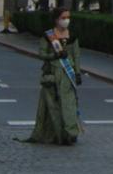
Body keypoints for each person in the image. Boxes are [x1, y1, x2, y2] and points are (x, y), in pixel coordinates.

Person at [19, 8, 82, 145]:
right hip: (52, 73)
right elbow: (41, 53)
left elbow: (76, 55)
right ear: (56, 19)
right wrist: (54, 55)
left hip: (67, 74)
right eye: (63, 17)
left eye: (68, 17)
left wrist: (77, 73)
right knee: (53, 106)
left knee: (69, 104)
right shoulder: (48, 36)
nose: (66, 20)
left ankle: (71, 133)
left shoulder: (73, 36)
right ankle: (56, 133)